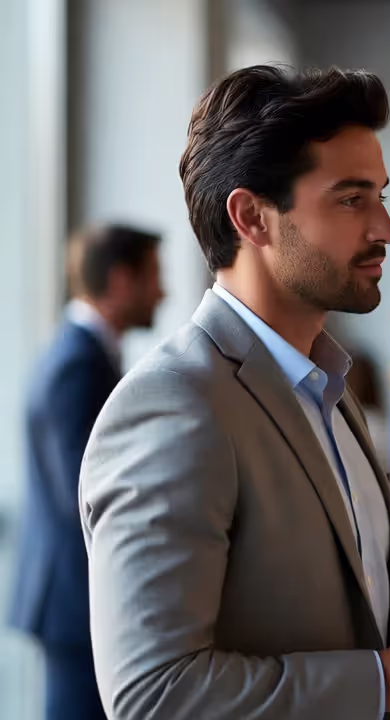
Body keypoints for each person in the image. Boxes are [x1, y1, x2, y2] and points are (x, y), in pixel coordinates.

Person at [79, 65, 390, 720]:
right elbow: (151, 696)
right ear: (252, 216)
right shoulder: (173, 406)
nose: (386, 229)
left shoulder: (331, 390)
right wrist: (385, 683)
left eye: (382, 195)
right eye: (351, 199)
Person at [8, 223, 164, 720]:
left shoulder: (85, 355)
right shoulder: (77, 364)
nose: (165, 292)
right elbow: (88, 494)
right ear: (120, 281)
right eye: (153, 276)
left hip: (76, 598)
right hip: (78, 602)